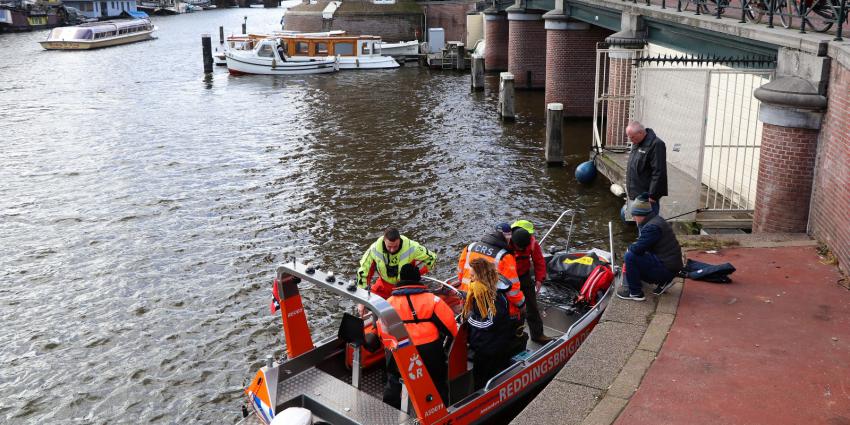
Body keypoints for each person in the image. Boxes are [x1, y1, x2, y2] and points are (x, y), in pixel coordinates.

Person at [377, 264, 458, 409]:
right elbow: (450, 325)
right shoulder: (432, 300)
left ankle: (389, 409)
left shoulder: (389, 303)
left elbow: (382, 329)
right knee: (437, 380)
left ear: (401, 279)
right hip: (429, 350)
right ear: (418, 278)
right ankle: (440, 409)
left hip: (399, 349)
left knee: (395, 379)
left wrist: (391, 348)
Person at [618, 193, 684, 301]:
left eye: (634, 215)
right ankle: (664, 281)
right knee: (636, 253)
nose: (634, 218)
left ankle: (635, 293)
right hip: (671, 265)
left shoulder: (652, 227)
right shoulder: (656, 219)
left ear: (641, 214)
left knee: (630, 256)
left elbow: (637, 250)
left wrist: (630, 247)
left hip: (667, 269)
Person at [463, 258, 515, 389]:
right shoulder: (481, 291)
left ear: (481, 276)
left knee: (482, 378)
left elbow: (489, 322)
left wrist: (469, 317)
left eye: (473, 274)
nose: (470, 276)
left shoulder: (493, 298)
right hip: (488, 343)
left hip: (490, 347)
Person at [456, 224, 525, 320]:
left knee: (469, 326)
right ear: (507, 238)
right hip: (486, 303)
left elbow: (460, 275)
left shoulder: (470, 247)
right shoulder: (505, 257)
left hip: (466, 297)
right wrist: (521, 305)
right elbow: (512, 290)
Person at [356, 227, 437, 300]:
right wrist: (362, 298)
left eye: (395, 246)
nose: (392, 250)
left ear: (399, 240)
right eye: (389, 247)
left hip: (405, 287)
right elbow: (363, 272)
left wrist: (417, 274)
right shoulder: (374, 250)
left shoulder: (413, 247)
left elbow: (431, 258)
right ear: (384, 241)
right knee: (368, 300)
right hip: (384, 285)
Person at [508, 220, 551, 344]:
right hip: (507, 280)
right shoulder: (505, 243)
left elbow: (539, 261)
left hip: (524, 277)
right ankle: (514, 338)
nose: (521, 248)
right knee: (512, 310)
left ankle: (538, 335)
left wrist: (539, 279)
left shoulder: (531, 242)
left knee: (532, 306)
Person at [626, 121, 668, 216]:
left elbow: (659, 171)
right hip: (635, 193)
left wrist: (653, 195)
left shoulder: (656, 144)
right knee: (639, 224)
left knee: (648, 226)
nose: (630, 140)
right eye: (629, 137)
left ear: (640, 133)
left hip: (646, 197)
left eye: (632, 137)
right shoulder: (637, 142)